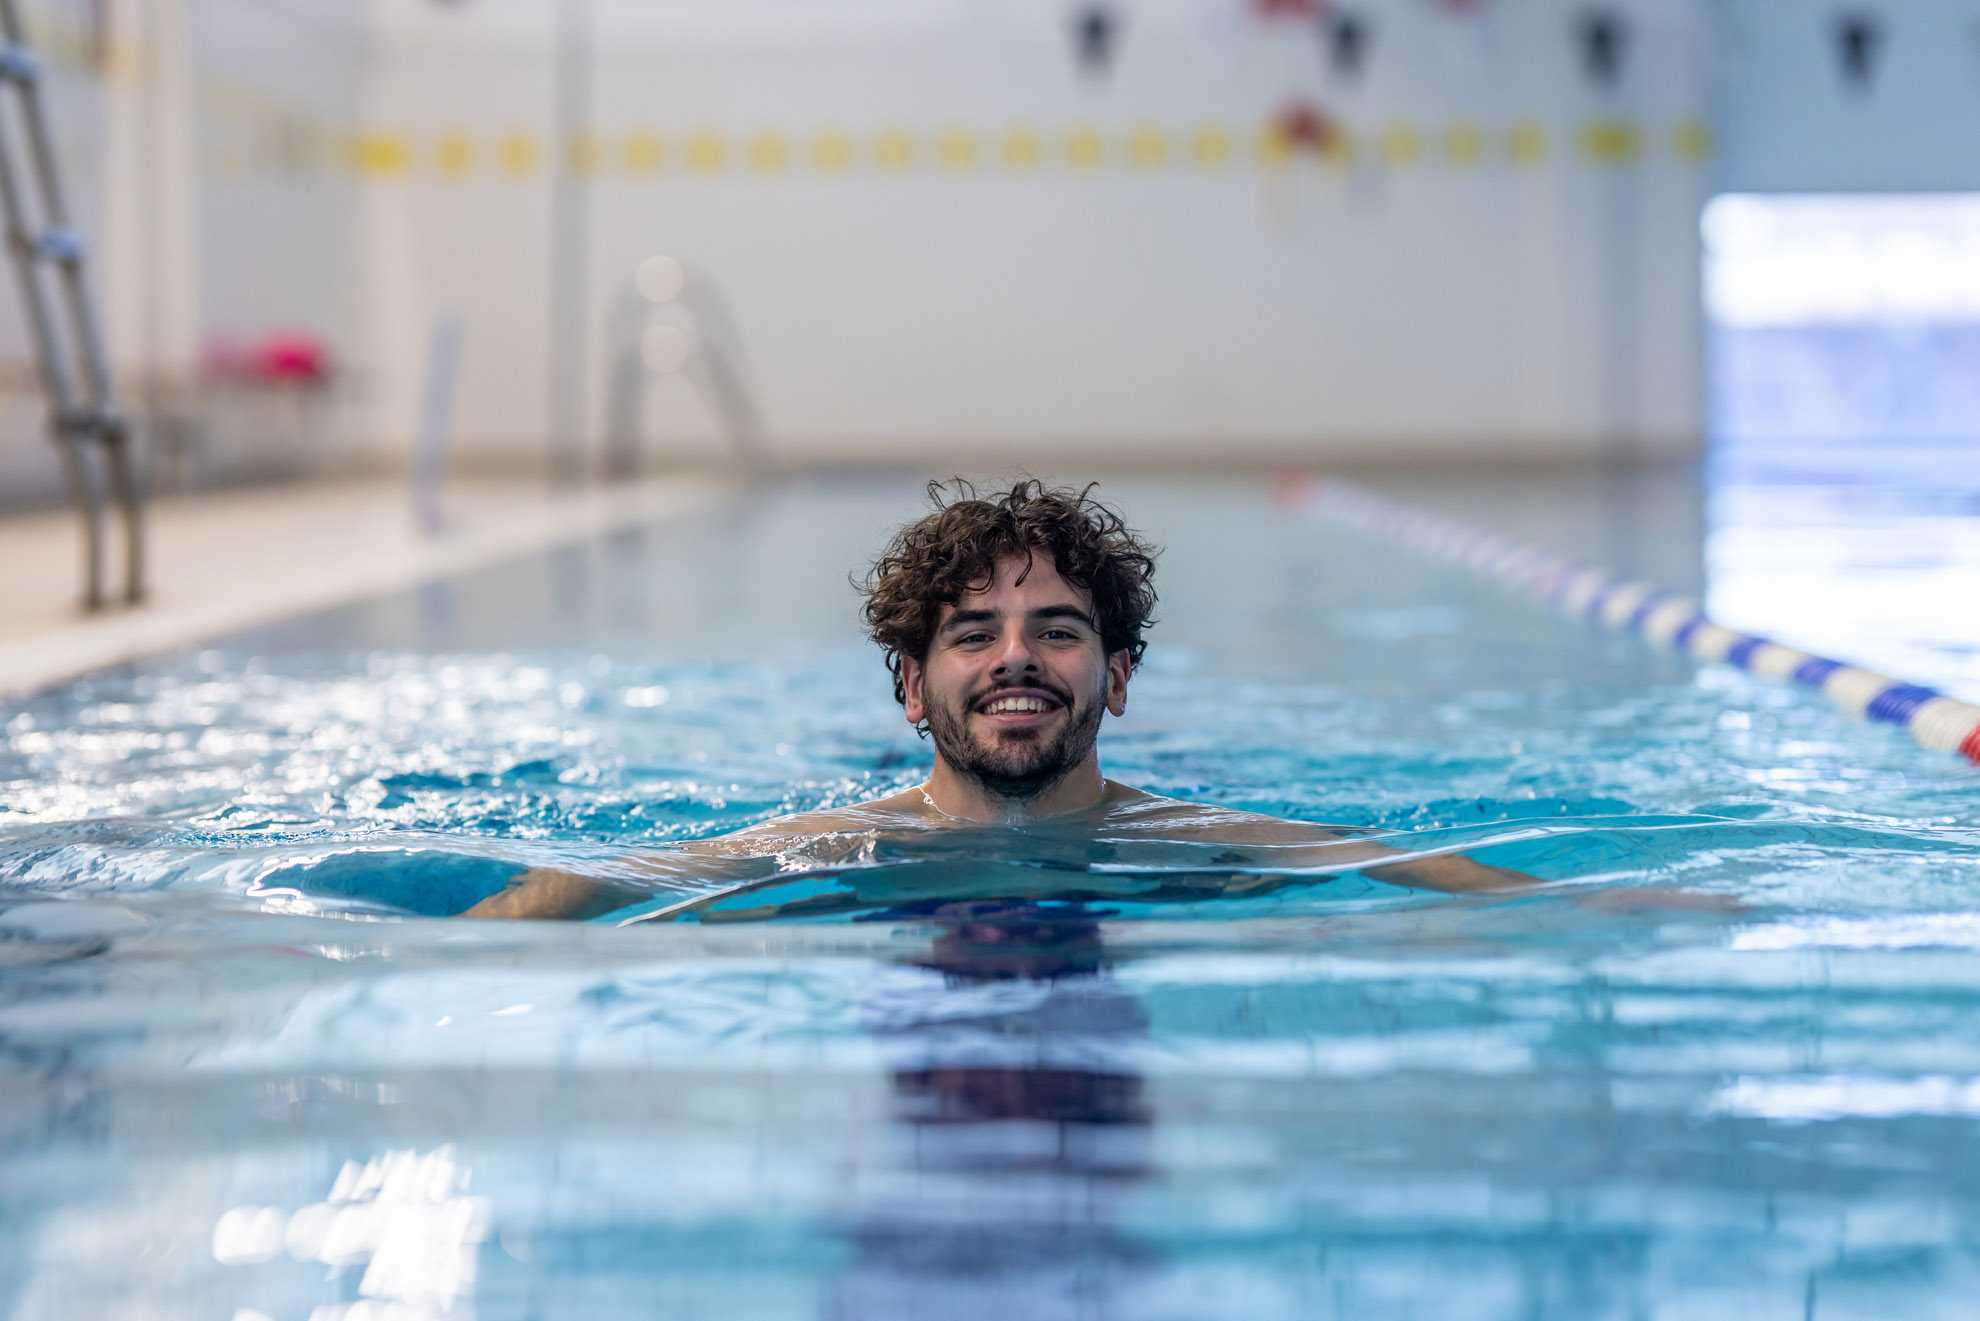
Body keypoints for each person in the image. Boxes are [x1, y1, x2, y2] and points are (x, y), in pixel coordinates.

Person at [464, 479, 1533, 921]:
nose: (1015, 661)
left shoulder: (1207, 835)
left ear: (1116, 680)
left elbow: (1423, 872)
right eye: (971, 636)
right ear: (909, 688)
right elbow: (596, 886)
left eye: (1058, 632)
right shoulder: (830, 840)